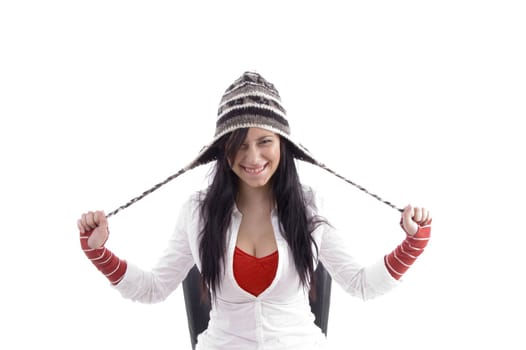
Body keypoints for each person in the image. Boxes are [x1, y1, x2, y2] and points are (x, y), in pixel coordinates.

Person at [77, 71, 432, 349]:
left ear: (283, 146)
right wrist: (99, 252)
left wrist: (413, 244)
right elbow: (152, 288)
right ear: (223, 150)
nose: (253, 157)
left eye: (265, 142)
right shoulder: (197, 213)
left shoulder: (309, 208)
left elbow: (361, 285)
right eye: (240, 144)